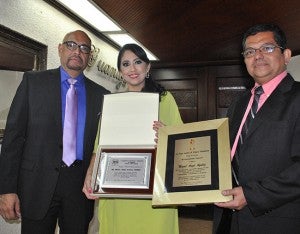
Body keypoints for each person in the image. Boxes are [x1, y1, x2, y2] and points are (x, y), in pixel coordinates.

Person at [0, 30, 110, 234]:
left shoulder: (102, 95)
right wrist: (6, 189)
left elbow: (106, 143)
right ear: (60, 49)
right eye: (71, 45)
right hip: (36, 183)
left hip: (79, 187)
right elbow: (13, 138)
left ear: (89, 57)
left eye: (84, 48)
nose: (77, 51)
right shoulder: (33, 83)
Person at [83, 43, 183, 234]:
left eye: (138, 62)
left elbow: (181, 141)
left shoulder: (165, 99)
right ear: (120, 71)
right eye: (126, 64)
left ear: (148, 67)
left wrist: (166, 135)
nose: (133, 68)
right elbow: (99, 144)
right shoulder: (112, 102)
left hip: (154, 188)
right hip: (118, 187)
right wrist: (90, 174)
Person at [213, 23, 300, 233]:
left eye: (267, 48)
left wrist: (253, 195)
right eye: (250, 51)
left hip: (275, 220)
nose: (258, 56)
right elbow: (228, 151)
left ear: (286, 55)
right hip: (227, 217)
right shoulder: (239, 102)